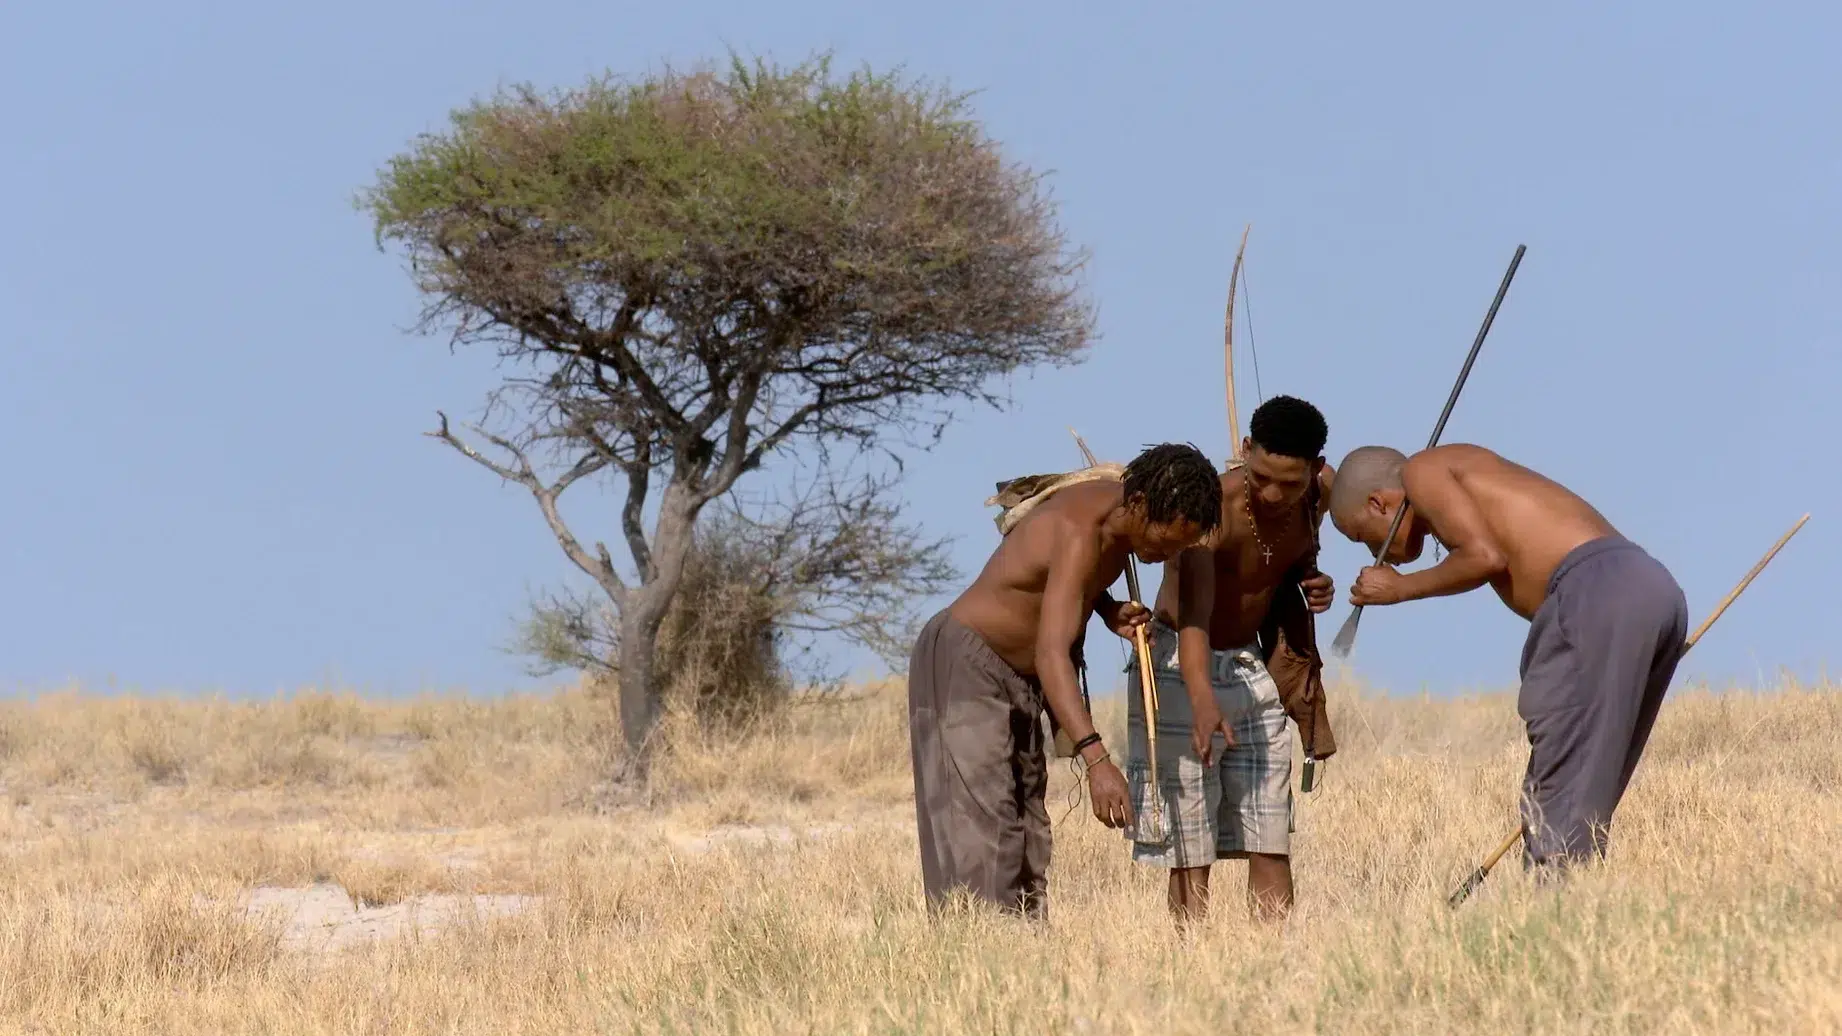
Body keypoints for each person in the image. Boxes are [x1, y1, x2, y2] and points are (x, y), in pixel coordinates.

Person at [1326, 443, 1688, 874]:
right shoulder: (1462, 473)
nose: (1372, 553)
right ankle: (1578, 901)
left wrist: (1399, 588)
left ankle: (1554, 910)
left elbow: (1483, 556)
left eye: (1360, 535)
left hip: (1595, 593)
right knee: (1591, 775)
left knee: (1562, 775)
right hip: (1647, 588)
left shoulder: (1420, 471)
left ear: (1377, 502)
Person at [909, 442, 1225, 919]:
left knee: (1025, 824)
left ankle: (1024, 962)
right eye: (1166, 541)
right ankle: (977, 957)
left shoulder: (1119, 521)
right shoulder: (1082, 529)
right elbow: (1051, 652)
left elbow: (1059, 581)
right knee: (980, 826)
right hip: (967, 662)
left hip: (1022, 677)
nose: (1166, 556)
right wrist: (1097, 759)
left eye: (1180, 547)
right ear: (1138, 504)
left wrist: (1105, 608)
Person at [1127, 396, 1338, 922]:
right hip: (1177, 663)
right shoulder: (1209, 512)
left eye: (1289, 484)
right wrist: (1201, 700)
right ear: (1244, 451)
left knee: (1270, 827)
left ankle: (1269, 962)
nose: (1272, 494)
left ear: (1315, 469)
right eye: (1261, 476)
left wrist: (1312, 583)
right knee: (1190, 835)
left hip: (1248, 665)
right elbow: (1195, 618)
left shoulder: (1318, 496)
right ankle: (1193, 963)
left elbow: (1294, 562)